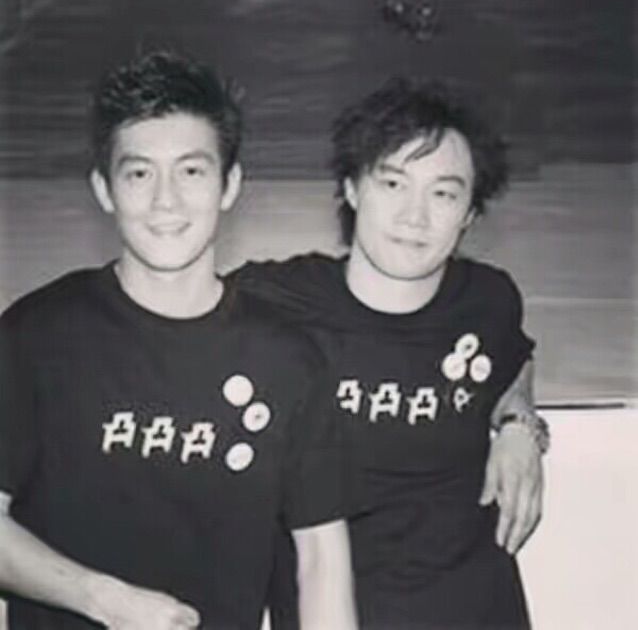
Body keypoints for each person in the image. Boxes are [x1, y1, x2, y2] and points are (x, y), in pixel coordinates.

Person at [0, 51, 357, 630]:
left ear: (229, 185)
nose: (165, 201)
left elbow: (320, 559)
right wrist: (102, 599)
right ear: (104, 189)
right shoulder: (35, 334)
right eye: (139, 174)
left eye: (191, 171)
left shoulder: (287, 358)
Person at [235, 77, 549, 629]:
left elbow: (514, 358)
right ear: (353, 189)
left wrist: (519, 424)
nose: (414, 216)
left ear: (469, 214)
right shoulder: (272, 300)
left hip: (479, 611)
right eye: (393, 184)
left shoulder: (488, 300)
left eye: (443, 194)